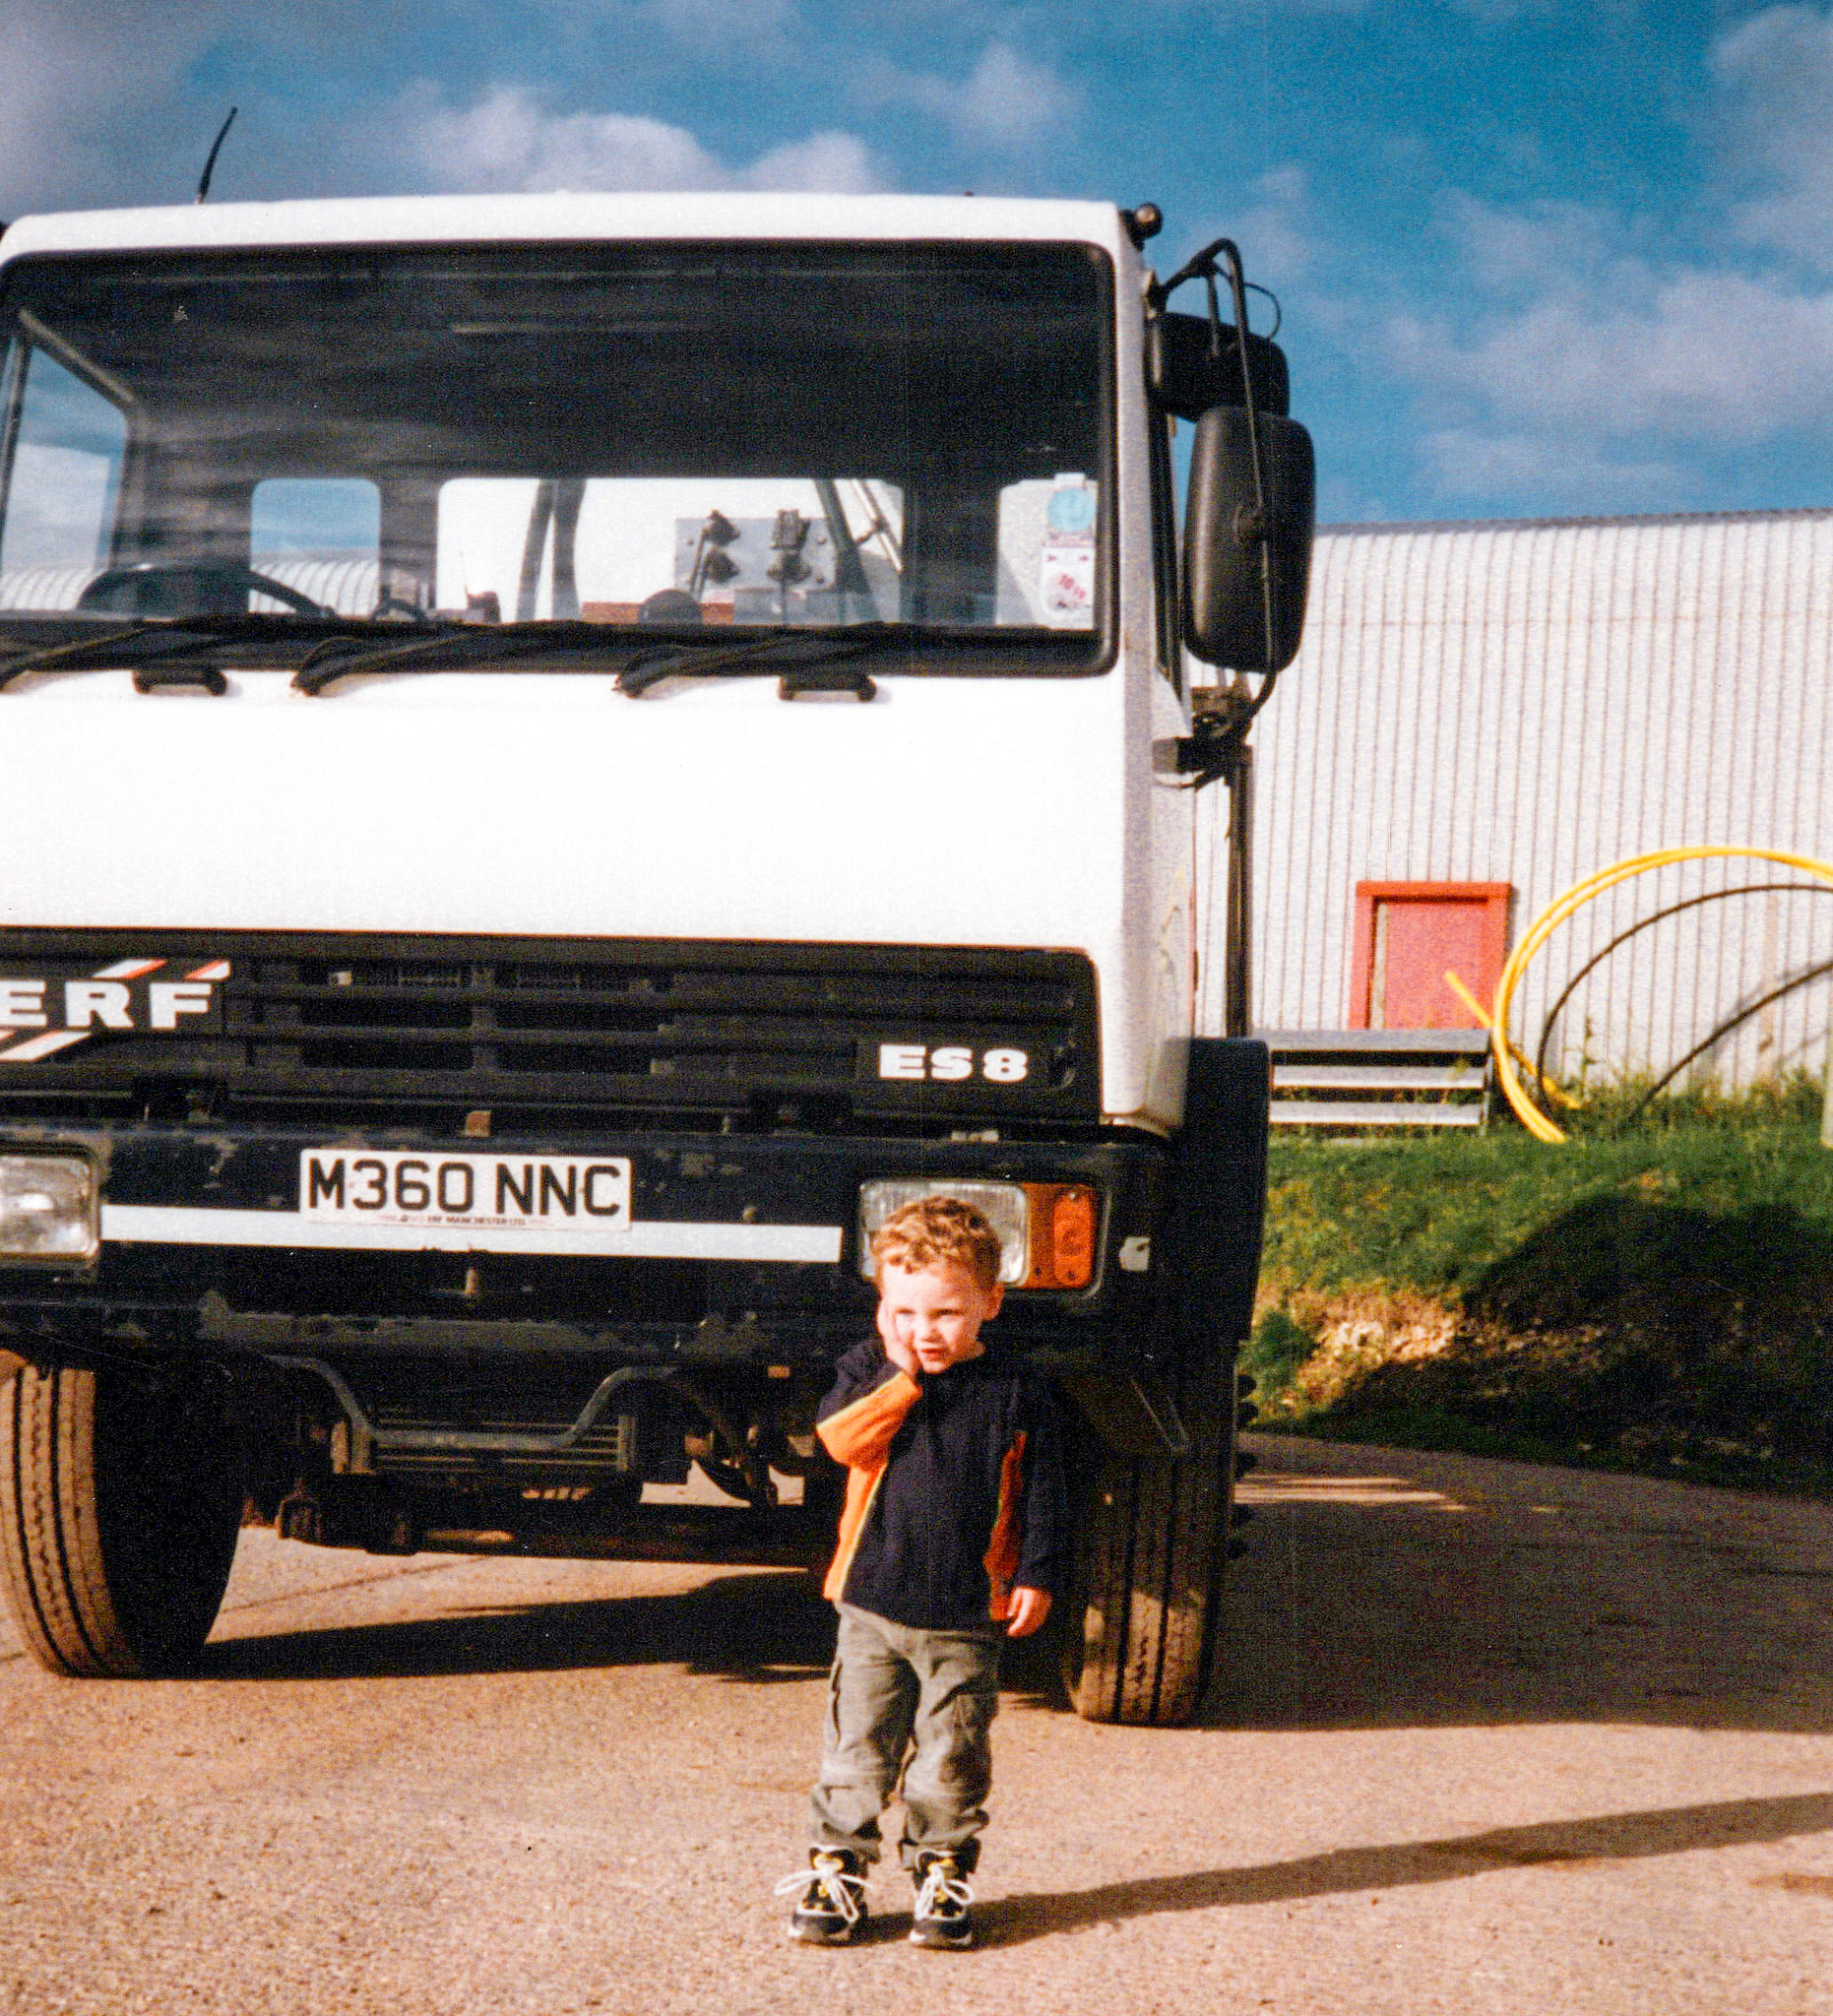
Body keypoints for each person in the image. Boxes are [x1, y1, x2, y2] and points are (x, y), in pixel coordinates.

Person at [777, 1194, 1066, 1950]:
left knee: (953, 1758)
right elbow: (840, 1441)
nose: (923, 1332)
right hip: (871, 1605)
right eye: (903, 1313)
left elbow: (1042, 1488)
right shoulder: (869, 1370)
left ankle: (941, 1870)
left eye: (943, 1314)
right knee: (856, 1752)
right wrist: (900, 1372)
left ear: (990, 1304)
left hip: (967, 1616)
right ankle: (836, 1868)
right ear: (882, 1307)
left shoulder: (1016, 1390)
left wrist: (1035, 1571)